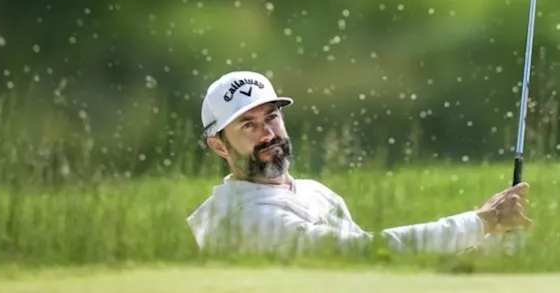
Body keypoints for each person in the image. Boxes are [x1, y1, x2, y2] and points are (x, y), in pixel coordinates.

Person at [186, 70, 532, 256]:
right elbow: (368, 254)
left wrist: (489, 241)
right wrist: (479, 223)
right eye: (248, 125)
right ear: (218, 145)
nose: (267, 134)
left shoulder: (312, 192)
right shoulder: (244, 221)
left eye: (272, 117)